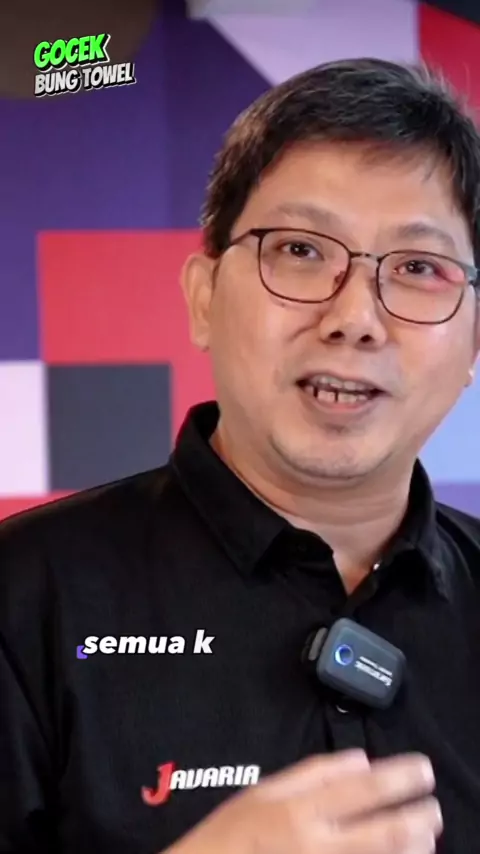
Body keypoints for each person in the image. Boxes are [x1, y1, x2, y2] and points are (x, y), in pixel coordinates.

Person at [1, 56, 479, 854]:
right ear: (203, 298)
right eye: (301, 250)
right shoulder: (26, 599)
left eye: (418, 268)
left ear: (473, 345)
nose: (356, 318)